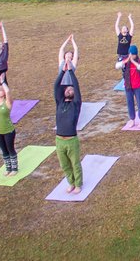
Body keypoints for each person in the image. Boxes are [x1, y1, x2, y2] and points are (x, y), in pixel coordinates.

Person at [54, 60, 83, 194]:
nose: (70, 90)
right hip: (59, 140)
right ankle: (70, 182)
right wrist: (63, 72)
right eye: (68, 89)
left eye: (71, 89)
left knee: (75, 164)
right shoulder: (59, 102)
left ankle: (78, 184)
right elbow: (56, 86)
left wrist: (70, 71)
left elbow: (76, 86)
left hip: (71, 140)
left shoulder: (76, 104)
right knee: (64, 165)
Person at [115, 45, 140, 128]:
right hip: (128, 86)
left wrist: (133, 62)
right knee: (130, 103)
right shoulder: (125, 62)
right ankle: (132, 120)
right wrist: (126, 61)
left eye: (133, 54)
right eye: (130, 54)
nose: (131, 56)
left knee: (139, 103)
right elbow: (117, 66)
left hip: (138, 86)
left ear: (136, 54)